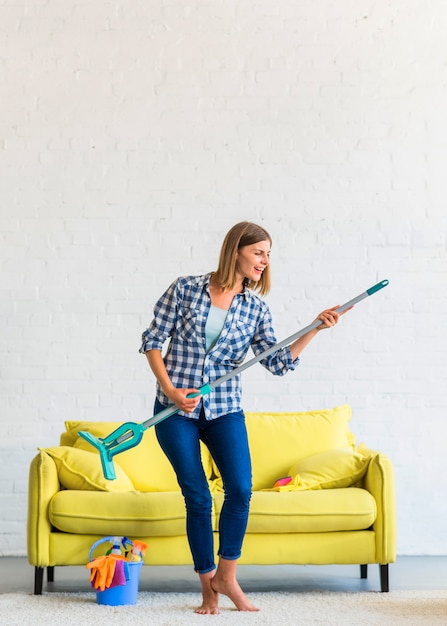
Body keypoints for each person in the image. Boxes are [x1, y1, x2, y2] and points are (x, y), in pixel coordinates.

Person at [139, 221, 350, 614]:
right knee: (198, 496)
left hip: (224, 409)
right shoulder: (185, 288)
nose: (265, 261)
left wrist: (315, 329)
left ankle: (227, 577)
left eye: (268, 254)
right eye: (259, 252)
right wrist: (170, 390)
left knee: (240, 489)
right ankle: (208, 590)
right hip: (174, 410)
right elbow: (152, 341)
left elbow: (279, 363)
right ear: (236, 250)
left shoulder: (254, 307)